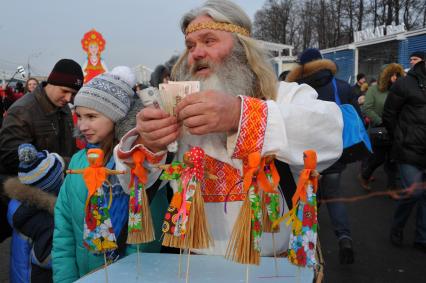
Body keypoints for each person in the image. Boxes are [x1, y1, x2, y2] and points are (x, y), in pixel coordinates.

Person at [116, 0, 343, 260]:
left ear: (241, 47)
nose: (196, 53)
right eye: (190, 46)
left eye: (209, 41)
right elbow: (129, 183)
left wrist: (239, 115)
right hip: (191, 264)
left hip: (270, 267)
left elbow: (329, 137)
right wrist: (149, 142)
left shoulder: (283, 95)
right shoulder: (174, 108)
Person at [52, 71, 168, 282]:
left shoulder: (139, 165)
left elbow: (144, 239)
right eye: (79, 116)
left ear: (117, 116)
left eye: (92, 116)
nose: (82, 125)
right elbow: (64, 232)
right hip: (83, 274)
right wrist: (65, 279)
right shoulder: (79, 162)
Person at [0, 59, 82, 251]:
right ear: (51, 82)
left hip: (58, 188)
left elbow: (69, 146)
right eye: (65, 91)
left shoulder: (63, 108)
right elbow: (11, 158)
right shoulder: (23, 110)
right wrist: (63, 164)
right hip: (24, 194)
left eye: (73, 93)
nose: (69, 98)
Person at [286, 48, 359, 264]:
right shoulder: (342, 87)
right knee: (334, 196)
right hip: (335, 153)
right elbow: (355, 116)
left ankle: (310, 241)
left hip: (305, 156)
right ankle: (344, 238)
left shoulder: (297, 88)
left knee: (308, 197)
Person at [3, 144, 64, 282]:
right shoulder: (46, 220)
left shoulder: (20, 204)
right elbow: (48, 259)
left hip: (21, 275)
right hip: (36, 277)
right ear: (54, 186)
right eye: (61, 175)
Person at [383, 59, 426, 252]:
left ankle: (422, 237)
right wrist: (399, 137)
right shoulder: (405, 83)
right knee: (414, 192)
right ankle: (397, 226)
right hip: (408, 148)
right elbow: (389, 113)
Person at [359, 63, 404, 193]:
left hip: (396, 129)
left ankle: (392, 188)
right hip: (380, 129)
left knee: (392, 159)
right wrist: (380, 121)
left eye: (397, 74)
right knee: (378, 158)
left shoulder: (400, 89)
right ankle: (365, 175)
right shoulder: (374, 90)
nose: (395, 77)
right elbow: (367, 108)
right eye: (393, 74)